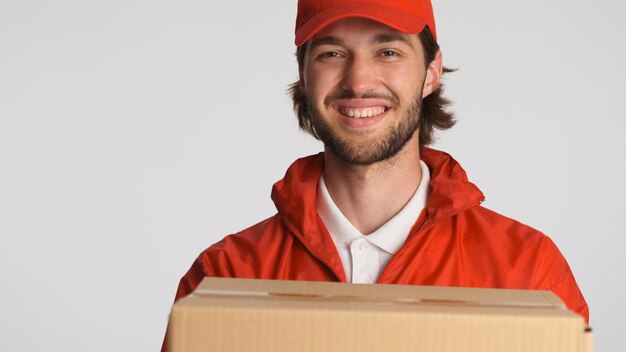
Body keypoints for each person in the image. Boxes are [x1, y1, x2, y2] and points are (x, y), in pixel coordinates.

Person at [164, 0, 588, 345]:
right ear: (304, 75)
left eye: (388, 51)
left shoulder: (528, 274)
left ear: (431, 73)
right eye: (332, 52)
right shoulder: (225, 277)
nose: (358, 79)